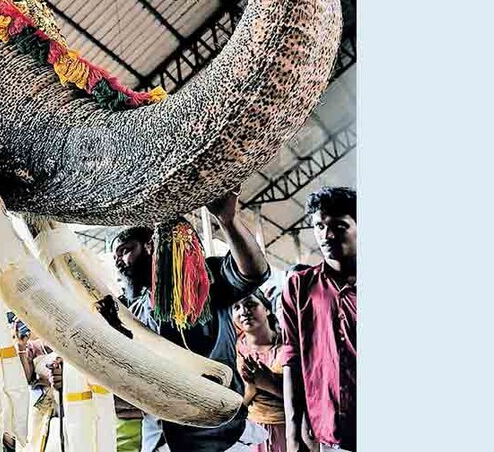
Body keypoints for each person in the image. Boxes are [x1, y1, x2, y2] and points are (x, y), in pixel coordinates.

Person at [111, 189, 271, 452]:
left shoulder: (205, 279)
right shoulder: (133, 310)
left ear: (151, 245)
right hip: (160, 441)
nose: (119, 261)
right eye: (115, 255)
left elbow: (252, 272)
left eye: (125, 250)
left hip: (220, 440)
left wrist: (228, 221)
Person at [280, 188, 356, 452]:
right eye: (320, 226)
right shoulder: (299, 287)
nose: (327, 235)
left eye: (339, 226)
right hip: (329, 432)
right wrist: (293, 431)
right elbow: (292, 360)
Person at [232, 290, 286, 452]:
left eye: (250, 304)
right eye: (236, 307)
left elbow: (308, 395)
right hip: (249, 433)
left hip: (288, 429)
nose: (243, 312)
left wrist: (269, 383)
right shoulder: (233, 350)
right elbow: (233, 403)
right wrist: (250, 389)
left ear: (267, 309)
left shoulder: (289, 346)